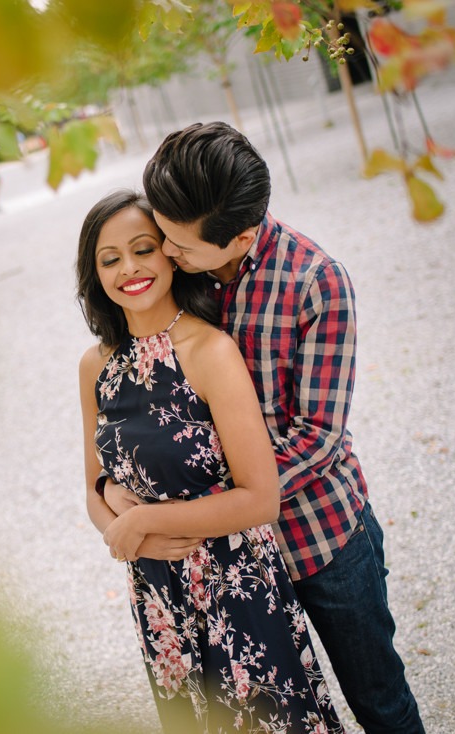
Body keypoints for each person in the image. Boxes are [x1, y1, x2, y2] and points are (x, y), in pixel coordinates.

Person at [105, 121, 425, 733]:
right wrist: (115, 488)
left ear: (241, 237)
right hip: (230, 567)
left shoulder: (316, 283)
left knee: (378, 701)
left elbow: (318, 436)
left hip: (319, 541)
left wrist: (202, 501)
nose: (165, 254)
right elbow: (142, 393)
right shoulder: (185, 269)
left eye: (179, 247)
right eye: (162, 238)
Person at [77, 189, 344, 733]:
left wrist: (146, 520)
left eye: (143, 249)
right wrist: (123, 535)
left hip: (236, 587)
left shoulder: (211, 351)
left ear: (169, 255)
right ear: (95, 273)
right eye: (110, 259)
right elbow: (93, 487)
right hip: (157, 595)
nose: (129, 268)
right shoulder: (94, 365)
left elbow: (259, 498)